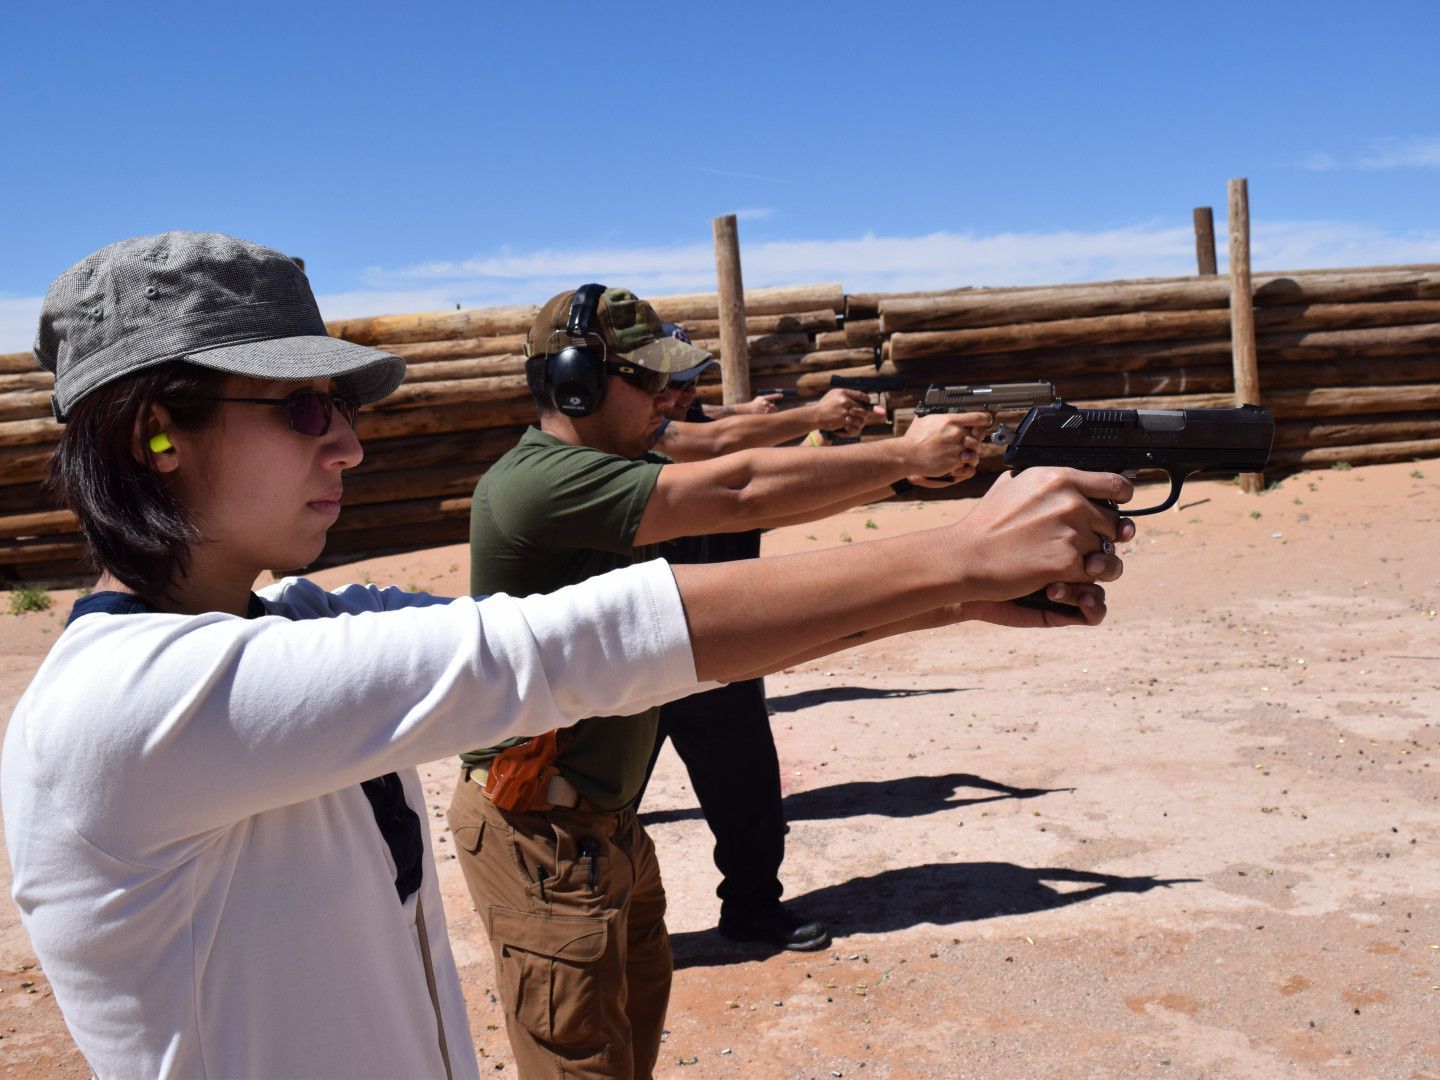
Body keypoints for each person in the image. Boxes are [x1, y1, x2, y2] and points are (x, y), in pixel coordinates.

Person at [0, 232, 1131, 1080]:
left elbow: (625, 644)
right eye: (301, 408)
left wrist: (956, 599)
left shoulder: (285, 625)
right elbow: (557, 647)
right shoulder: (130, 707)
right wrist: (953, 556)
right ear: (156, 432)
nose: (346, 437)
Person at [452, 283, 1133, 1078]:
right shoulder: (543, 482)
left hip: (606, 829)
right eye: (648, 380)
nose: (671, 397)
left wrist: (959, 600)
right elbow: (735, 490)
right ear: (575, 383)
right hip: (543, 831)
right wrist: (909, 463)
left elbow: (733, 623)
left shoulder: (614, 471)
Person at [640, 333, 876, 952]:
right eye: (667, 384)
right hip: (633, 655)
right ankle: (589, 930)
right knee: (597, 814)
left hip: (718, 647)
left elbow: (779, 482)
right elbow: (714, 446)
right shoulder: (636, 441)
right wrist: (814, 418)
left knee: (748, 800)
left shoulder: (697, 427)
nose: (682, 396)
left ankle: (752, 909)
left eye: (690, 383)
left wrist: (871, 458)